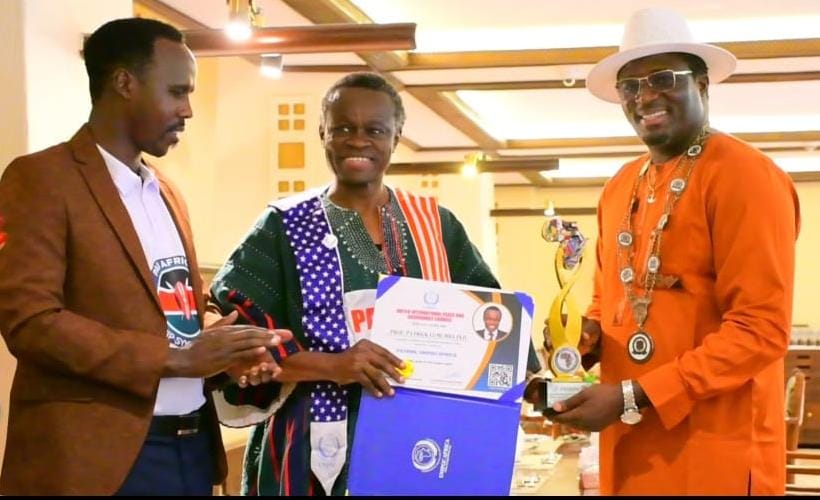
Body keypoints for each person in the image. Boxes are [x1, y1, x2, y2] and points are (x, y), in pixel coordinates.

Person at [208, 72, 541, 496]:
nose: (358, 141)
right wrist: (334, 366)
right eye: (343, 128)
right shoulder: (284, 225)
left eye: (375, 130)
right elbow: (237, 339)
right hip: (307, 450)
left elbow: (494, 317)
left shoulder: (435, 225)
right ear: (323, 133)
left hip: (423, 440)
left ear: (396, 137)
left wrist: (536, 384)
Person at [0, 18, 289, 496]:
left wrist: (227, 349)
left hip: (191, 447)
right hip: (97, 459)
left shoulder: (166, 191)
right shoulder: (42, 179)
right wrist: (175, 358)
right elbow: (30, 322)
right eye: (177, 92)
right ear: (124, 83)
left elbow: (179, 308)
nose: (188, 110)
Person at [530, 8, 800, 495]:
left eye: (662, 79)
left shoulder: (746, 177)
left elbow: (760, 330)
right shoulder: (619, 187)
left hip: (715, 449)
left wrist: (634, 394)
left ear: (702, 85)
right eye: (630, 86)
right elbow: (609, 302)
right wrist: (581, 343)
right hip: (629, 445)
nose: (645, 96)